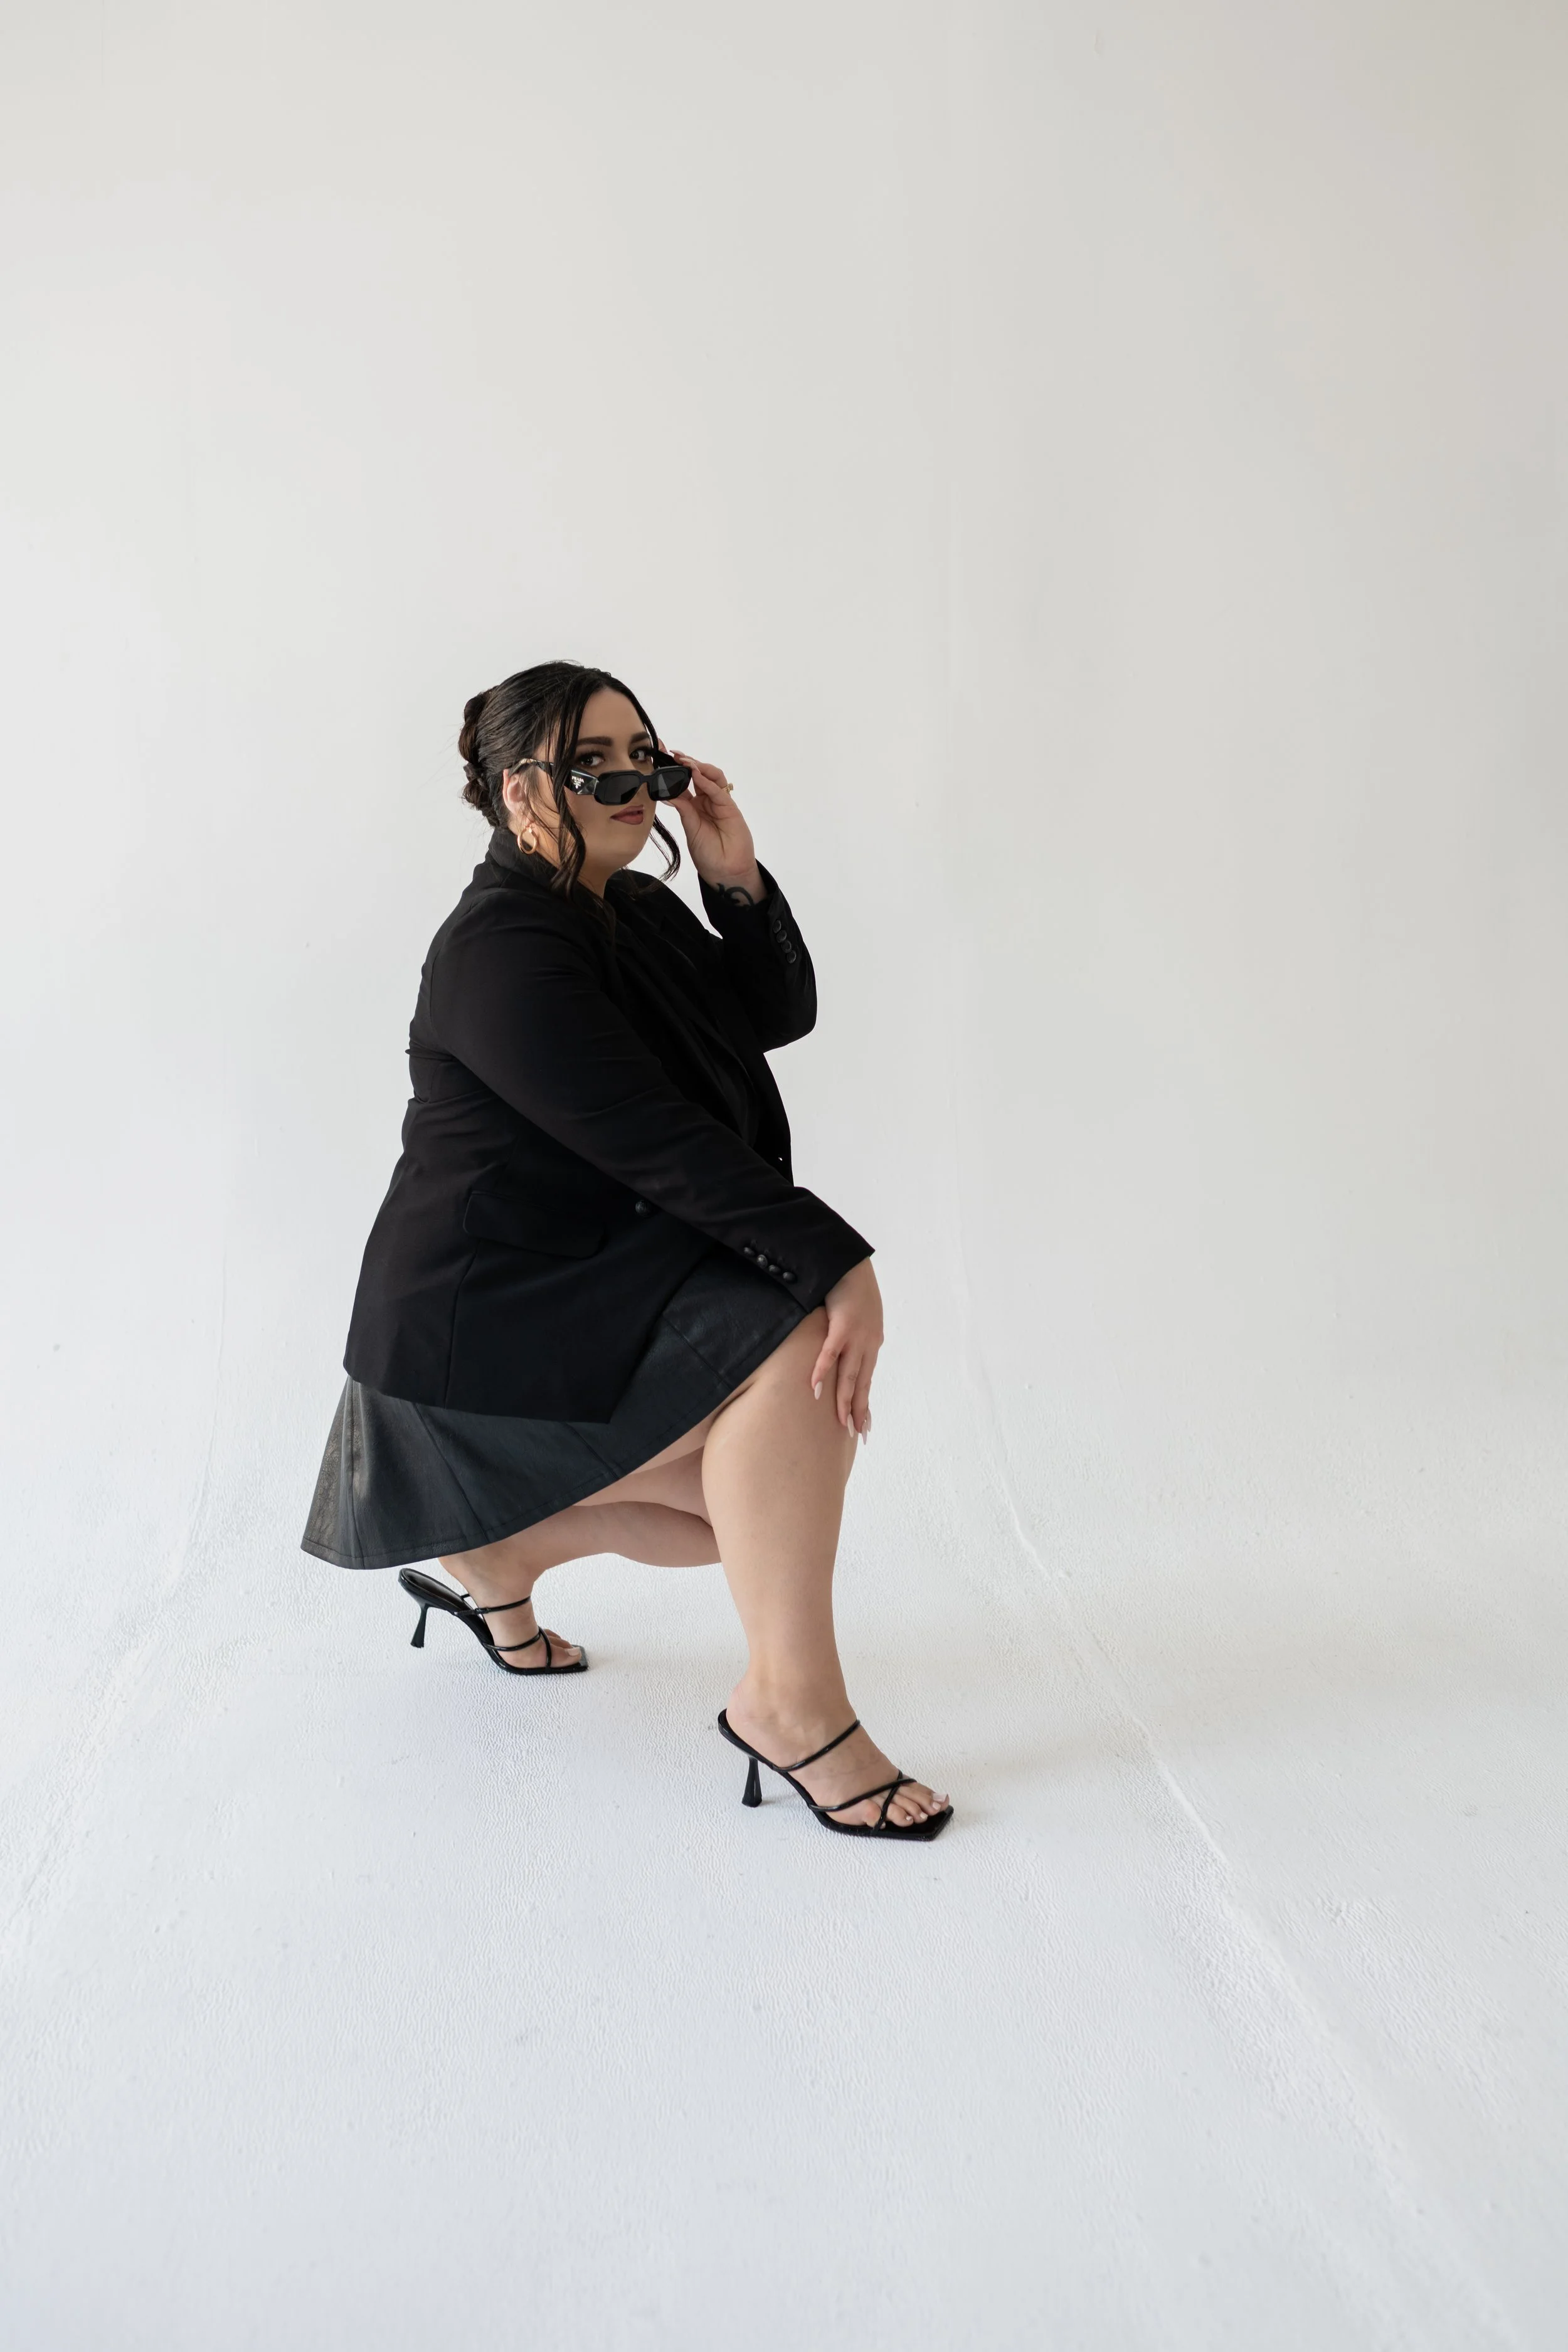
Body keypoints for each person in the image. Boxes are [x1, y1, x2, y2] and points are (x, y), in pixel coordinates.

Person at [303, 660, 951, 1841]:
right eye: (592, 763)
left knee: (746, 1511)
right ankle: (791, 1707)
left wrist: (733, 877)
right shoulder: (498, 950)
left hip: (585, 1283)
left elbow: (770, 1017)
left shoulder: (629, 908)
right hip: (475, 1331)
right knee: (795, 1374)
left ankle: (496, 1551)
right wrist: (838, 1262)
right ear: (520, 792)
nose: (630, 783)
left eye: (642, 756)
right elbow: (653, 1140)